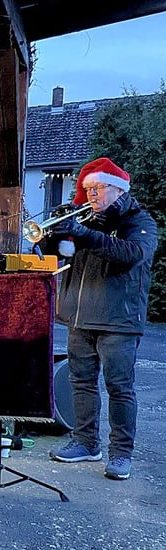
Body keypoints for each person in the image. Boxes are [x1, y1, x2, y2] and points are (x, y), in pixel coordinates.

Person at [46, 157, 158, 481]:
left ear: (118, 190)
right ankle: (85, 442)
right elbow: (60, 256)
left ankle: (121, 452)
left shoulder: (140, 221)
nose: (91, 194)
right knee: (80, 382)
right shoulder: (86, 220)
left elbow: (130, 255)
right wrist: (52, 236)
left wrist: (83, 233)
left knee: (119, 387)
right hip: (79, 317)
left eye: (98, 187)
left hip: (119, 319)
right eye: (88, 188)